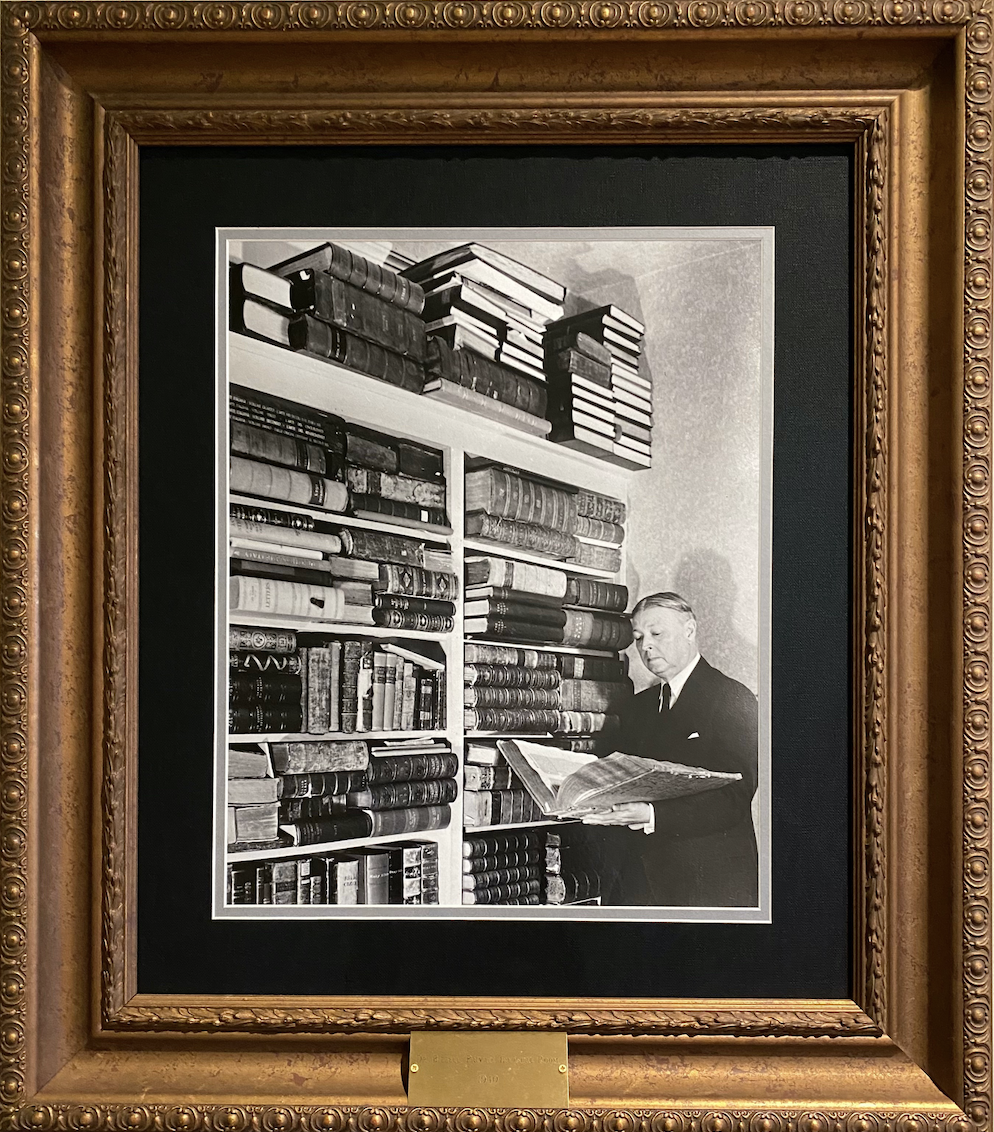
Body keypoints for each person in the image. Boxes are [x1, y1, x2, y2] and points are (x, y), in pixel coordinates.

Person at [583, 591, 759, 907]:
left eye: (656, 633)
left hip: (705, 881)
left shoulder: (733, 699)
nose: (645, 646)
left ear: (689, 630)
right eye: (638, 637)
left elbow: (734, 797)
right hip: (637, 878)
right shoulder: (637, 707)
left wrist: (653, 815)